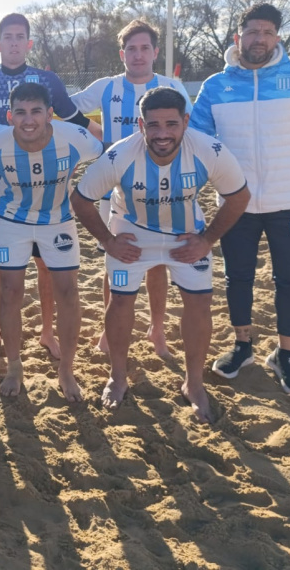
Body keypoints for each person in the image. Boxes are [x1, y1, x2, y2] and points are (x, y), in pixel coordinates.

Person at [190, 3, 290, 395]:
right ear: (238, 37)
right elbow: (197, 145)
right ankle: (242, 346)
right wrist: (185, 193)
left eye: (267, 32)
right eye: (252, 32)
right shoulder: (215, 86)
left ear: (277, 38)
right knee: (237, 277)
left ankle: (285, 355)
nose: (259, 39)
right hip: (236, 204)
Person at [72, 88, 250, 422]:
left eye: (171, 124)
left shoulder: (208, 150)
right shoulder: (119, 154)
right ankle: (118, 377)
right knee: (120, 301)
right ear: (141, 125)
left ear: (185, 121)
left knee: (199, 303)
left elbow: (239, 197)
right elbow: (80, 199)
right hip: (132, 235)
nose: (162, 133)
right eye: (153, 125)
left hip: (186, 237)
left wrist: (208, 239)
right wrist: (108, 241)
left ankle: (193, 383)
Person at [0, 13, 101, 361]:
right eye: (7, 37)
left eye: (19, 37)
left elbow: (75, 121)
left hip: (45, 188)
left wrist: (113, 142)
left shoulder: (48, 80)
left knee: (46, 266)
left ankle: (47, 331)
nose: (13, 43)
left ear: (29, 43)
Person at [70, 19, 194, 359]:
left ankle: (157, 329)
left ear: (155, 52)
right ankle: (109, 331)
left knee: (157, 262)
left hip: (162, 190)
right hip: (114, 191)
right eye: (131, 49)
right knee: (115, 258)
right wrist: (96, 134)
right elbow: (65, 109)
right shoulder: (106, 87)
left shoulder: (171, 87)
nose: (138, 55)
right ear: (122, 53)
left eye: (144, 48)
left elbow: (191, 129)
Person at [0, 83, 102, 400]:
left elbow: (107, 150)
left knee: (68, 293)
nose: (28, 120)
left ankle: (66, 370)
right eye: (20, 112)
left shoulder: (75, 138)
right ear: (10, 116)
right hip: (11, 222)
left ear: (49, 114)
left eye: (36, 112)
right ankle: (14, 367)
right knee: (10, 292)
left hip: (57, 221)